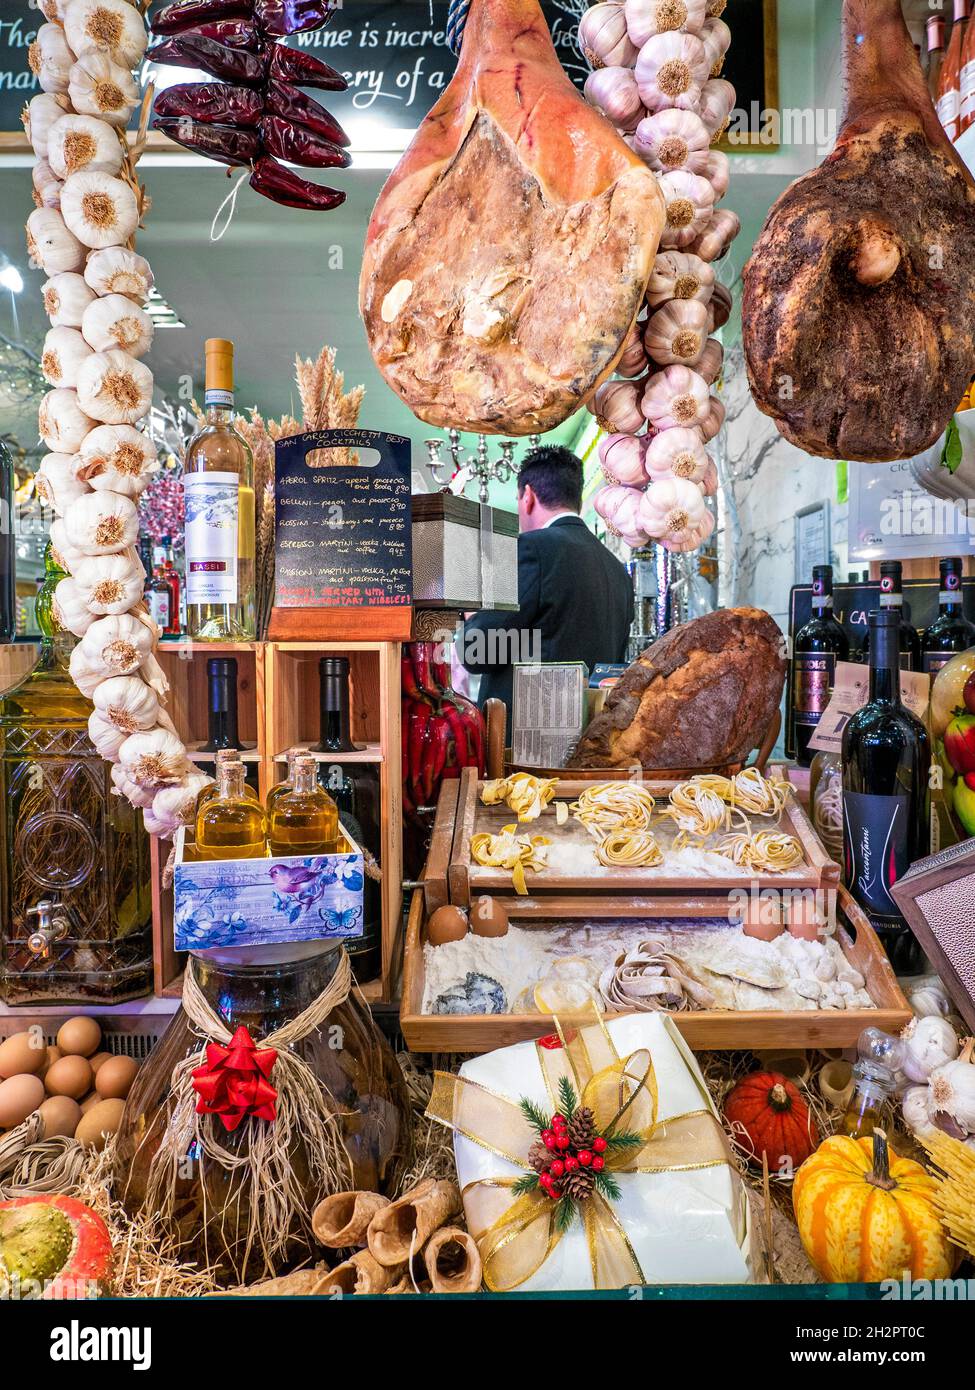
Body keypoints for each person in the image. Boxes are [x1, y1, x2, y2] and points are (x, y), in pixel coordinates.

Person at [459, 445, 634, 714]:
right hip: (591, 737)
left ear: (527, 496)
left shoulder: (532, 549)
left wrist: (472, 613)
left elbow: (479, 652)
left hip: (525, 743)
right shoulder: (617, 570)